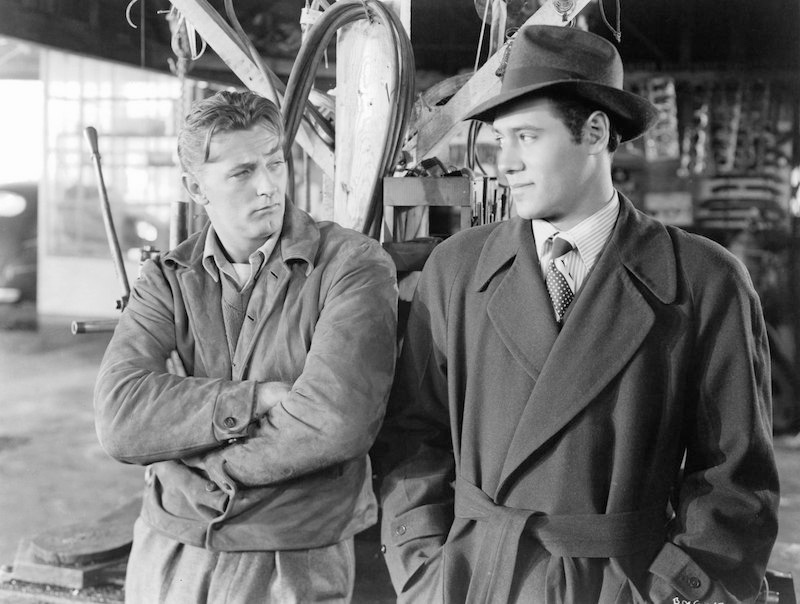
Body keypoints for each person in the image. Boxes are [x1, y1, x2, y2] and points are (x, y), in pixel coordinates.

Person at [377, 25, 779, 603]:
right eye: (499, 139)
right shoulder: (457, 270)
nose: (504, 162)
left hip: (625, 585)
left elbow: (736, 479)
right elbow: (413, 440)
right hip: (479, 580)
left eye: (527, 136)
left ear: (594, 131)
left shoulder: (704, 280)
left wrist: (681, 590)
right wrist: (426, 573)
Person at [94, 90, 398, 603]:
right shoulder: (168, 279)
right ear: (196, 187)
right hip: (170, 546)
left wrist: (198, 459)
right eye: (241, 173)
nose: (267, 187)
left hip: (292, 551)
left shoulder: (351, 265)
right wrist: (253, 400)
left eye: (275, 164)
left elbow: (334, 421)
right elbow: (121, 417)